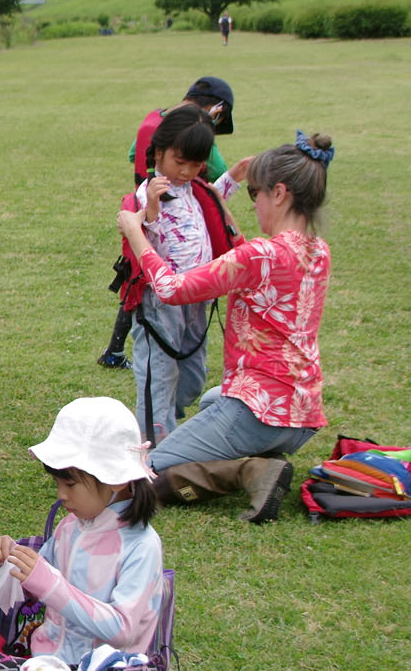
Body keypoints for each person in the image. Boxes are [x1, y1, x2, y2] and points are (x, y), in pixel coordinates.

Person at [118, 132, 336, 523]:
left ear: (280, 193)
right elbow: (251, 255)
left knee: (140, 475)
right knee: (209, 401)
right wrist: (222, 200)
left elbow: (171, 289)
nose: (255, 205)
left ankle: (250, 470)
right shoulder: (317, 250)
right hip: (303, 415)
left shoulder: (260, 255)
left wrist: (136, 234)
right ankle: (256, 458)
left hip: (258, 411)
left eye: (257, 195)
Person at [0, 397, 166, 665]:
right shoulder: (71, 527)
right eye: (58, 483)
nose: (61, 495)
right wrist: (11, 556)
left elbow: (122, 629)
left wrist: (51, 585)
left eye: (70, 485)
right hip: (48, 664)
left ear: (114, 479)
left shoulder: (142, 546)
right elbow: (42, 575)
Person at [121, 105, 242, 445]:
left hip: (196, 297)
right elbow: (141, 234)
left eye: (195, 164)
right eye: (180, 162)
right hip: (161, 302)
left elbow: (214, 198)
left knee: (191, 376)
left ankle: (163, 421)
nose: (188, 171)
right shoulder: (149, 193)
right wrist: (153, 211)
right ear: (158, 153)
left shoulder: (192, 186)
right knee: (159, 373)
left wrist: (234, 175)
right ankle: (154, 441)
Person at [100, 76, 237, 370]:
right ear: (216, 110)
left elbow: (131, 153)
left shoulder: (158, 124)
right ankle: (123, 357)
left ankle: (114, 349)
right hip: (159, 222)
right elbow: (219, 171)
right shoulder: (195, 133)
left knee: (136, 281)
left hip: (149, 211)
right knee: (150, 294)